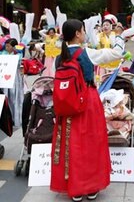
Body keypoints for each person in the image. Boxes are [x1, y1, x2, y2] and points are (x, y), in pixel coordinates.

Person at [50, 19, 124, 202]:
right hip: (87, 103)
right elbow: (116, 53)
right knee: (91, 143)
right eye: (83, 30)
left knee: (70, 144)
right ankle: (90, 188)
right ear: (77, 33)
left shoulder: (60, 57)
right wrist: (120, 37)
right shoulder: (88, 53)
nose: (84, 33)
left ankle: (74, 188)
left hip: (67, 106)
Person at [0, 38, 25, 127]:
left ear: (13, 47)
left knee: (15, 97)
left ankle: (16, 118)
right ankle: (7, 118)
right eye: (5, 46)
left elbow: (20, 63)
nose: (6, 48)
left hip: (15, 77)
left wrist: (17, 49)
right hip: (5, 77)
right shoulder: (3, 53)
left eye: (8, 46)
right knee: (6, 96)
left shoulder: (18, 54)